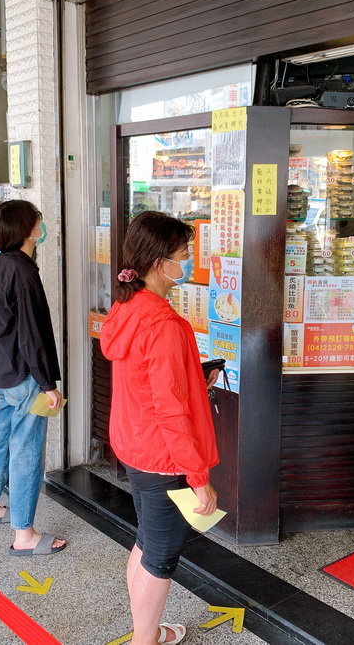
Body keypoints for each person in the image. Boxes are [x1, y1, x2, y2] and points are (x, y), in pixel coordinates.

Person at [100, 211, 220, 645]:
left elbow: (152, 384)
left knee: (149, 540)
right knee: (161, 554)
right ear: (158, 263)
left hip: (134, 442)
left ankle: (144, 632)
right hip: (163, 455)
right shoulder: (165, 324)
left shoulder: (127, 306)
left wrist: (191, 376)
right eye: (184, 254)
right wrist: (198, 477)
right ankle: (145, 640)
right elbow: (170, 410)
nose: (187, 262)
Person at [0, 199, 65, 555]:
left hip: (0, 373)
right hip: (25, 376)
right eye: (37, 221)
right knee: (26, 450)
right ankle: (24, 534)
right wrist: (48, 384)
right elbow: (33, 332)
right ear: (27, 229)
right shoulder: (24, 270)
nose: (41, 225)